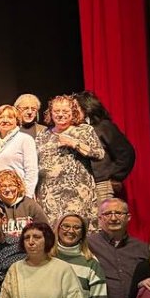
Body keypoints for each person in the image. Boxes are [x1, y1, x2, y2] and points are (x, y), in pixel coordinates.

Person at [35, 94, 105, 228]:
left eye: (65, 111)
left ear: (73, 112)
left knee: (76, 231)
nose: (60, 115)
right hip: (49, 196)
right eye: (56, 111)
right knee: (52, 234)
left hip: (77, 196)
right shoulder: (43, 135)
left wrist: (75, 143)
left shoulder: (84, 130)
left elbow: (99, 153)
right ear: (50, 113)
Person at [73, 90, 136, 203]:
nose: (72, 111)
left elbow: (126, 153)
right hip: (81, 187)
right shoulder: (74, 130)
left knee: (102, 218)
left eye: (75, 107)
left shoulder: (103, 127)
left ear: (86, 107)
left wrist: (115, 176)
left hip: (101, 185)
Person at [0, 104, 38, 195]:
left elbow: (31, 171)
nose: (5, 120)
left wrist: (27, 195)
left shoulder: (25, 139)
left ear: (16, 121)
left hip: (18, 194)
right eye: (1, 117)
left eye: (10, 117)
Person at [0, 168, 49, 241]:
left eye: (11, 185)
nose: (8, 189)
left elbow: (46, 231)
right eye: (3, 186)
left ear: (18, 186)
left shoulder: (30, 205)